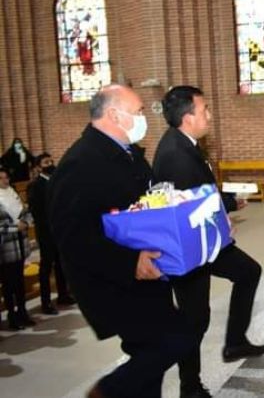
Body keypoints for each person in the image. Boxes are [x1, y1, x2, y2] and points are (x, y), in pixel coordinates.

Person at [48, 84, 193, 398]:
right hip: (113, 279)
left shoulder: (127, 153)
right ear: (114, 114)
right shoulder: (81, 162)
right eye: (139, 111)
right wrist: (130, 262)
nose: (144, 118)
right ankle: (108, 390)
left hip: (146, 272)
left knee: (155, 348)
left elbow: (146, 202)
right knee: (174, 338)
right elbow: (72, 236)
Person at [153, 85, 264, 398]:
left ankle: (235, 342)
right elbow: (189, 204)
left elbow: (200, 191)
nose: (209, 114)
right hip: (190, 247)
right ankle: (190, 387)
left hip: (202, 241)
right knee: (194, 319)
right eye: (204, 109)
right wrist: (226, 208)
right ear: (188, 117)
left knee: (247, 272)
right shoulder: (176, 153)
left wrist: (228, 203)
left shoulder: (183, 143)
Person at [27, 153, 74, 316]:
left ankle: (63, 294)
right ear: (39, 167)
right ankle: (45, 301)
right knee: (46, 266)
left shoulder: (56, 181)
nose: (51, 164)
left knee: (61, 264)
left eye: (51, 161)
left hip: (59, 229)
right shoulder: (35, 185)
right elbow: (37, 212)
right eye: (46, 162)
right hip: (46, 232)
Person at [0, 168, 34, 330]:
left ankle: (23, 312)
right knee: (9, 283)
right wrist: (16, 227)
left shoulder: (13, 193)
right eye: (1, 178)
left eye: (6, 177)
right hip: (6, 246)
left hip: (20, 243)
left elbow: (26, 212)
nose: (5, 181)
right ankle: (11, 315)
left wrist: (26, 222)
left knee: (19, 281)